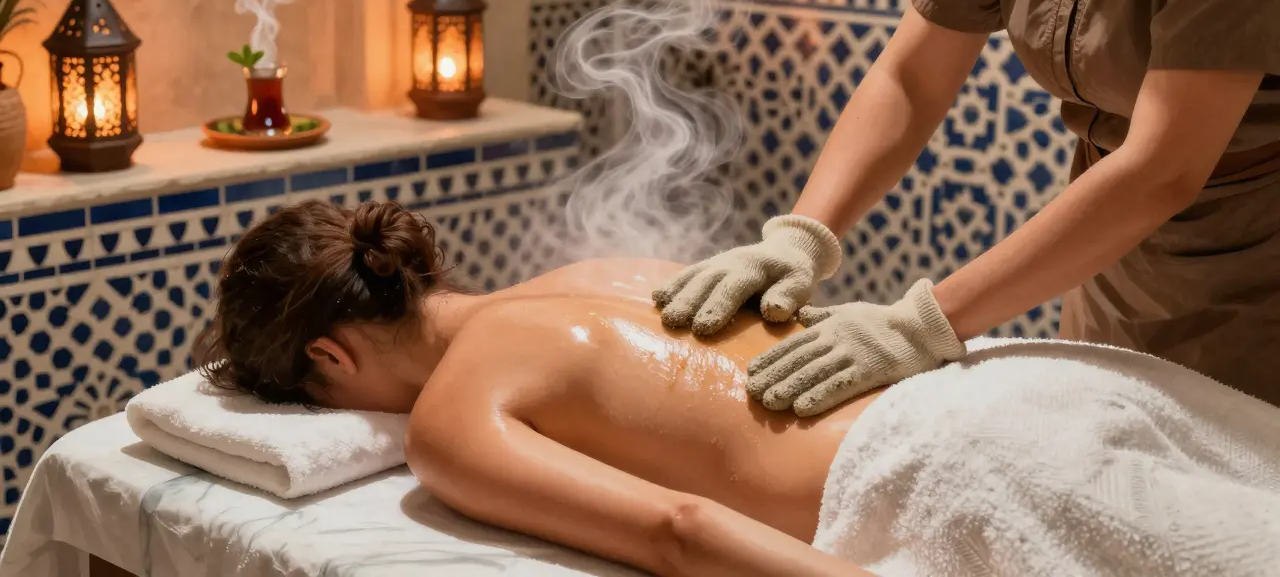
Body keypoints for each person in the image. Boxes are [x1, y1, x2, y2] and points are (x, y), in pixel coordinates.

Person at [198, 200, 1280, 576]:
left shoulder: (449, 422)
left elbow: (676, 530)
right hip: (1019, 380)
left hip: (959, 470)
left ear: (331, 359)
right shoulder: (594, 273)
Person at [654, 0, 1280, 413]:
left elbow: (1162, 168)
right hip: (1112, 255)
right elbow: (913, 78)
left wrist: (921, 325)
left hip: (1257, 268)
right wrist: (801, 236)